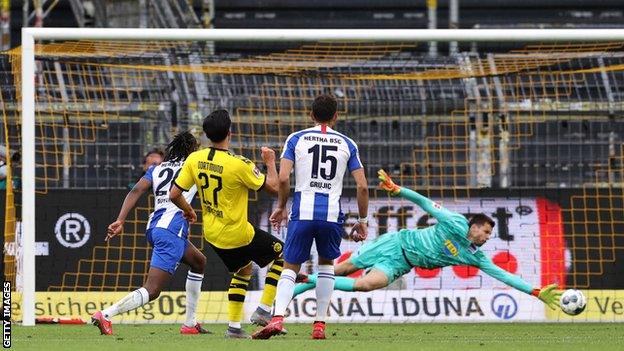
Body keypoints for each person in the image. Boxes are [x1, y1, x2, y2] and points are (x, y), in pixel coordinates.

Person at [290, 169, 562, 311]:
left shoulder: (474, 256)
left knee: (365, 285)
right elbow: (425, 204)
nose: (488, 238)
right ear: (475, 226)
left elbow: (503, 276)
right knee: (341, 270)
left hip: (401, 263)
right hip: (396, 243)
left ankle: (308, 280)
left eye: (491, 234)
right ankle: (286, 298)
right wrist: (398, 190)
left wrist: (535, 292)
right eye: (487, 232)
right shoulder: (455, 222)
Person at [253, 94, 369, 340]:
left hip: (302, 213)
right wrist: (363, 220)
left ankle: (277, 318)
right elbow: (362, 187)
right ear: (336, 116)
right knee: (327, 266)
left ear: (311, 115)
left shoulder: (296, 138)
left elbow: (283, 178)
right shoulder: (348, 143)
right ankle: (319, 326)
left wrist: (282, 206)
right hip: (330, 215)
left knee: (290, 267)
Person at [170, 109, 285, 339]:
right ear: (230, 133)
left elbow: (174, 194)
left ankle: (233, 327)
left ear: (206, 134)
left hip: (212, 235)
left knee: (243, 269)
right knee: (283, 253)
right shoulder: (239, 164)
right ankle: (264, 309)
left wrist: (189, 210)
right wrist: (270, 163)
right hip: (238, 233)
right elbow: (274, 188)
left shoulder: (195, 159)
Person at [91, 131, 209, 335]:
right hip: (170, 231)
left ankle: (190, 324)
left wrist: (120, 219)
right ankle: (106, 314)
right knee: (152, 290)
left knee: (199, 261)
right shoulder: (192, 168)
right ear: (191, 151)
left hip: (155, 228)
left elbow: (136, 190)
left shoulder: (156, 169)